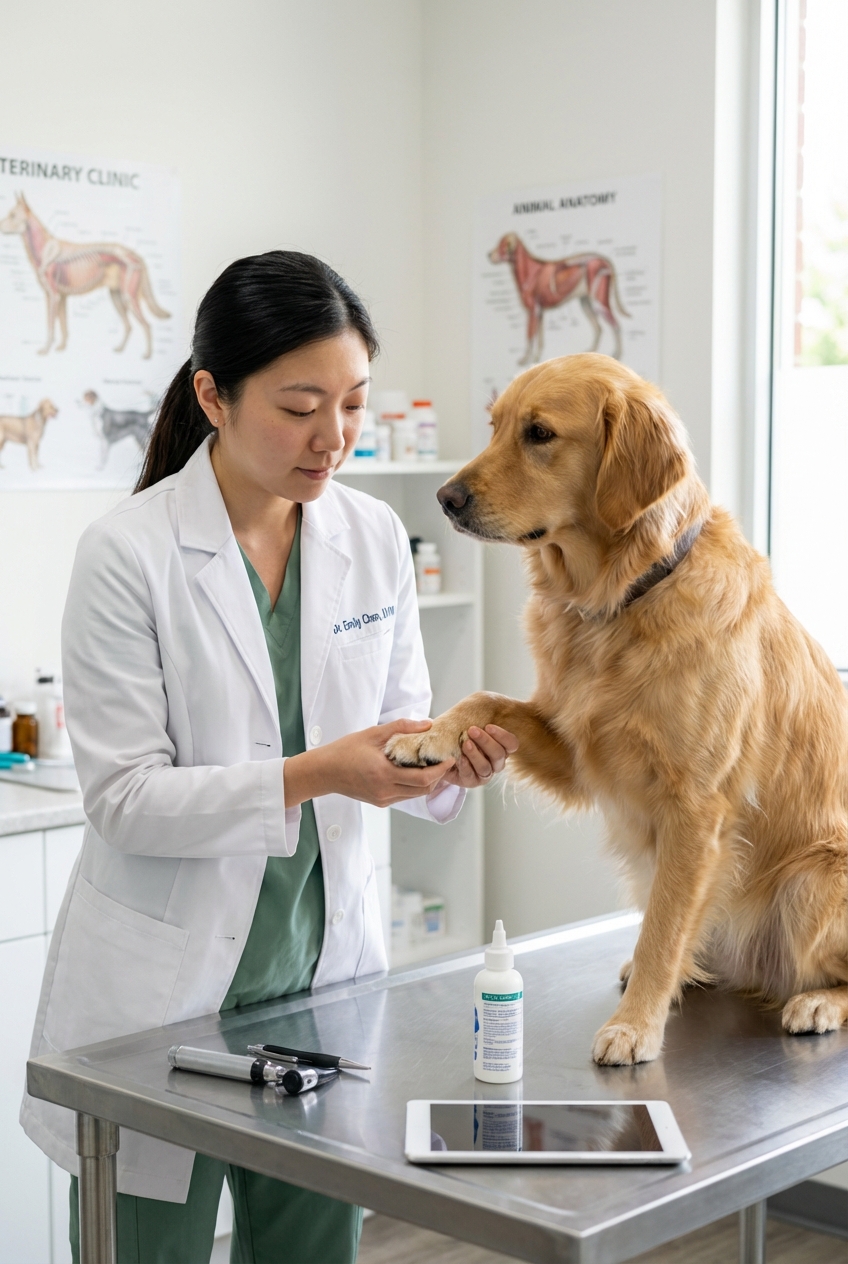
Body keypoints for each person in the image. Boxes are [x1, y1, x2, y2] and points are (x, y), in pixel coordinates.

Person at [20, 251, 517, 1264]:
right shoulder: (129, 552)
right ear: (212, 393)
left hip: (317, 989)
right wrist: (318, 771)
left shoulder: (372, 533)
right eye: (299, 406)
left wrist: (441, 760)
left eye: (352, 402)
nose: (331, 437)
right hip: (162, 1007)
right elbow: (121, 798)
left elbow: (396, 719)